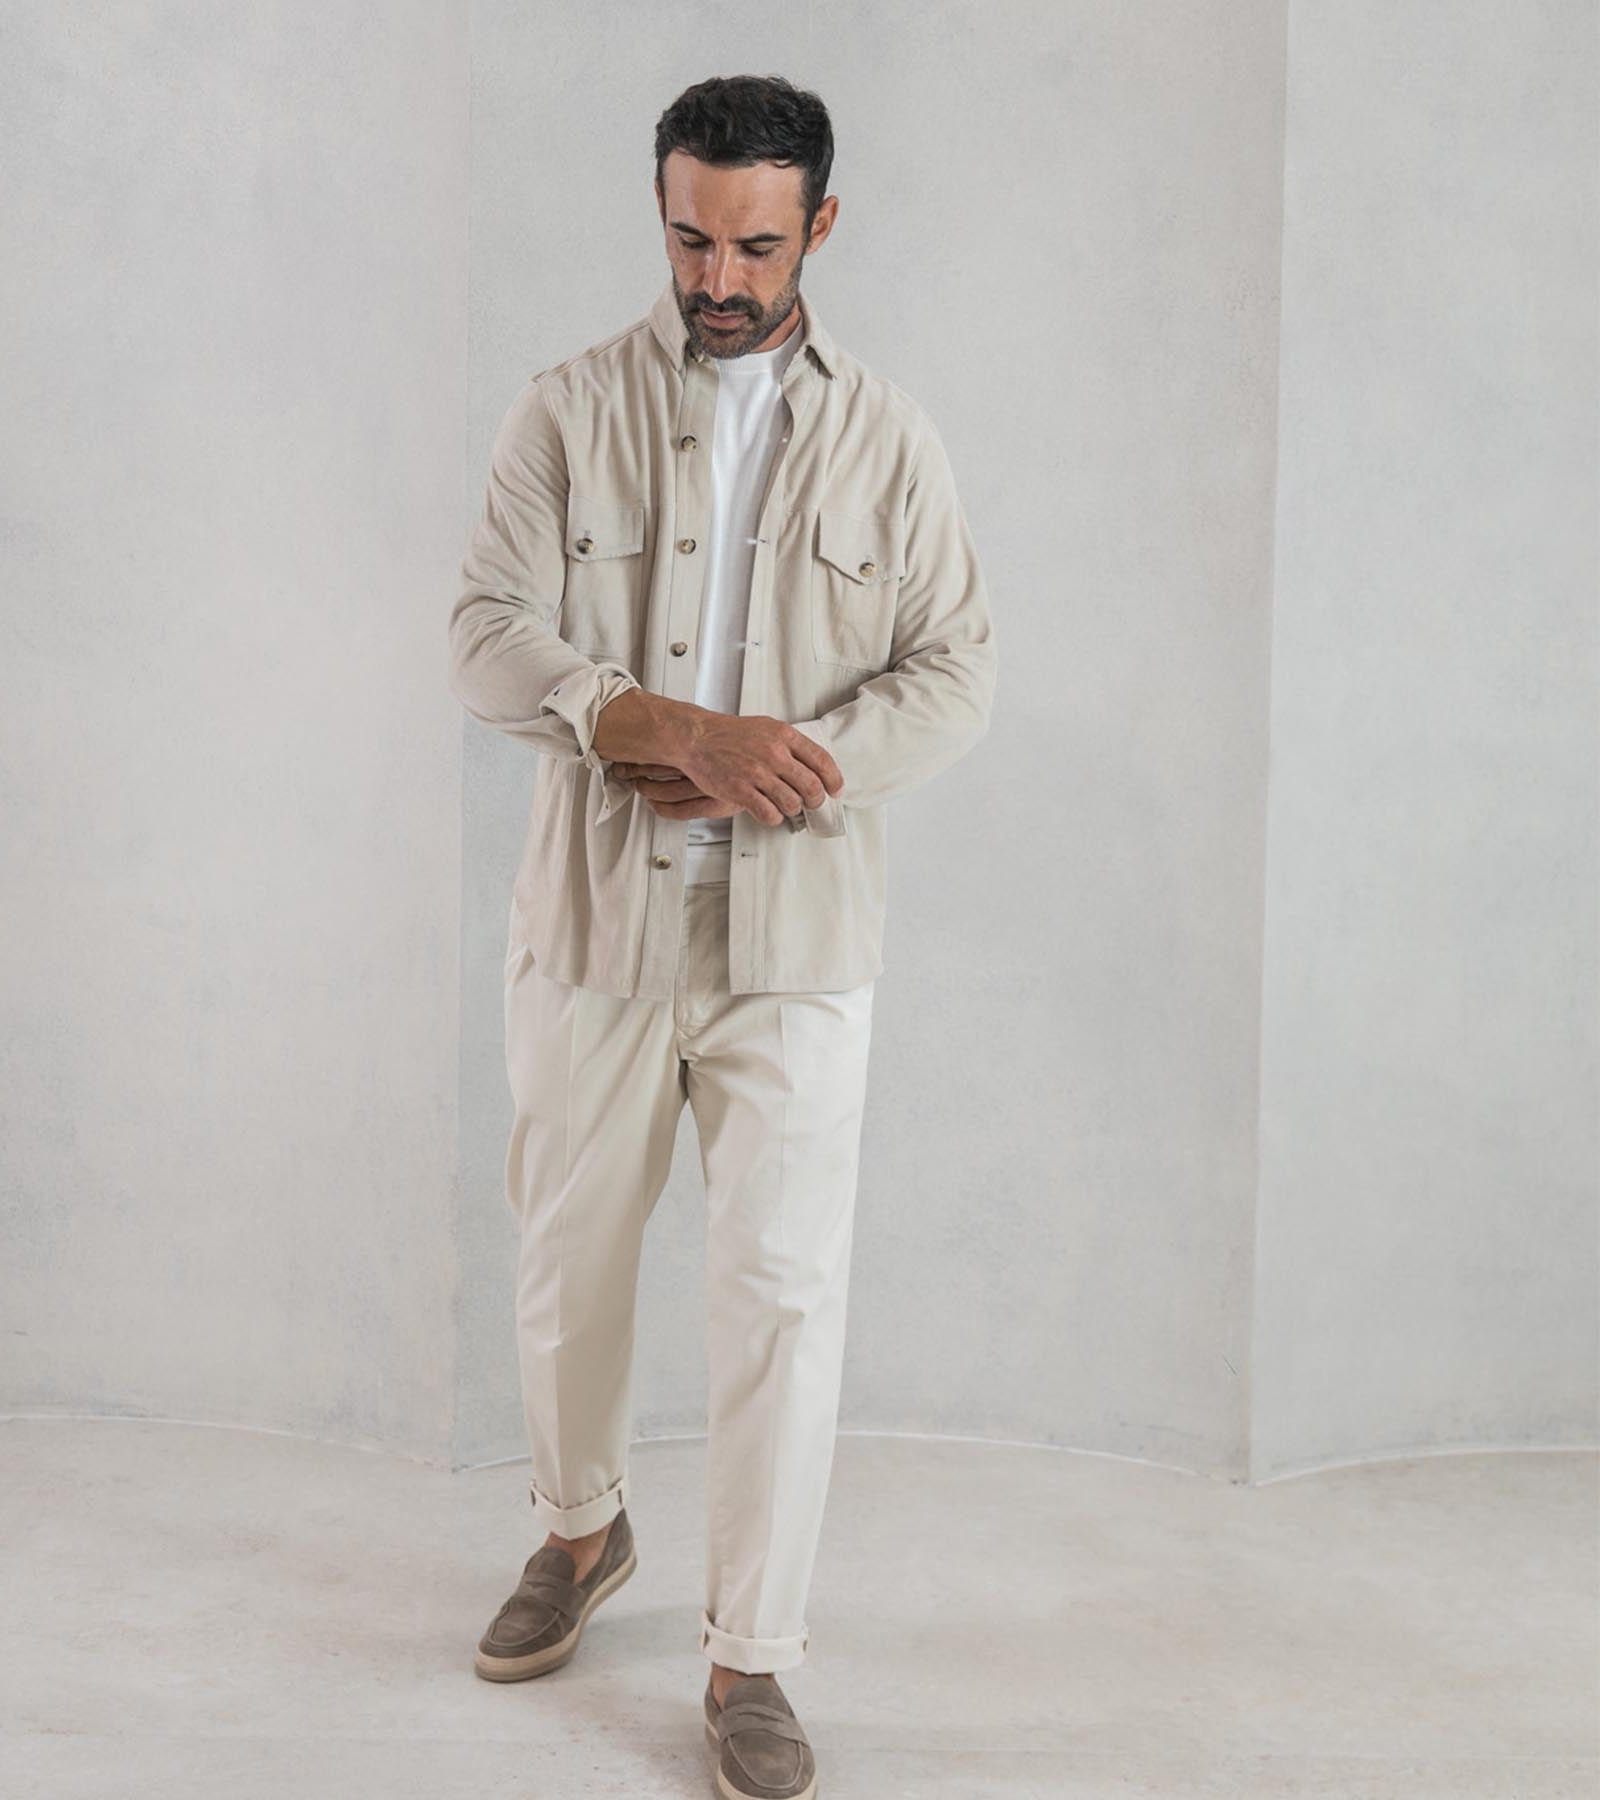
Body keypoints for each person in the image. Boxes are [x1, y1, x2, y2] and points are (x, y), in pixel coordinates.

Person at [448, 71, 996, 1800]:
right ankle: (580, 1528)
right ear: (663, 213)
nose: (719, 277)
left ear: (819, 226)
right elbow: (483, 633)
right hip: (593, 927)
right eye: (692, 238)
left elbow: (957, 671)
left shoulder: (891, 439)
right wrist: (660, 725)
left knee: (780, 1298)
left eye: (756, 245)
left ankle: (753, 1655)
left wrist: (791, 765)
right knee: (569, 1262)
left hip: (798, 942)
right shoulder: (567, 411)